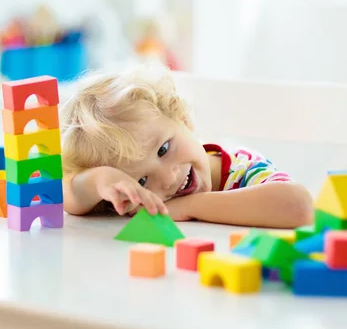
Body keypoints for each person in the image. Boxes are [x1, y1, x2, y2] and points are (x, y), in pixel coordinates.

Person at [59, 63, 313, 228]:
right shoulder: (127, 196)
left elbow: (299, 206)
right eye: (142, 181)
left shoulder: (243, 170)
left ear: (182, 117)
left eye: (163, 149)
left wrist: (188, 207)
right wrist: (101, 179)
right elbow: (69, 199)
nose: (167, 179)